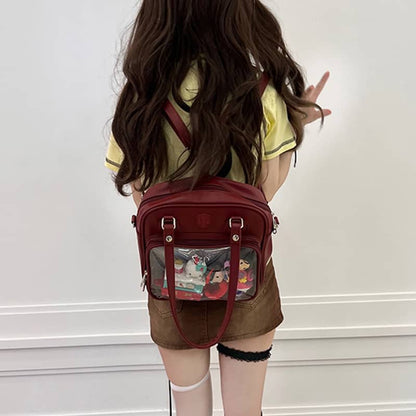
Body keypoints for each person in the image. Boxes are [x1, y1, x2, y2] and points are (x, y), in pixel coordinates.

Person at [104, 1, 331, 415]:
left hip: (171, 275)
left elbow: (140, 195)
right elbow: (265, 190)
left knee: (190, 409)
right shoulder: (259, 91)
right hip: (246, 273)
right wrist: (293, 125)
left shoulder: (141, 95)